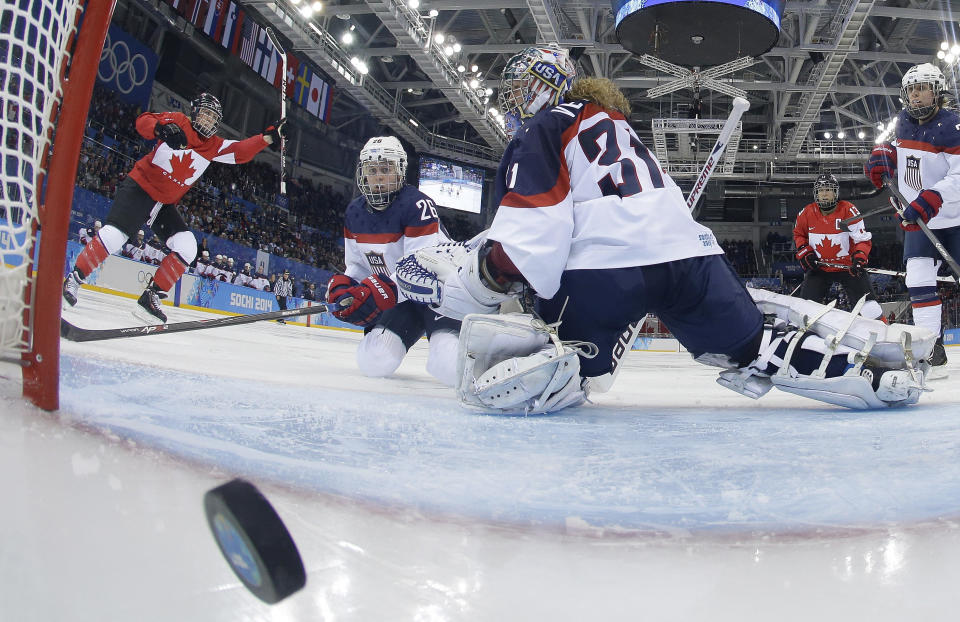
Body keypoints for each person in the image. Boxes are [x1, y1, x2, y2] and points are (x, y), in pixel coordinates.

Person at [394, 45, 933, 414]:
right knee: (751, 344)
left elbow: (530, 242)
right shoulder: (616, 122)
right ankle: (872, 377)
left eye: (518, 88)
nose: (512, 101)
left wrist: (476, 281)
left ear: (546, 85)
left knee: (559, 359)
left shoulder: (546, 125)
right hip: (689, 253)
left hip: (605, 269)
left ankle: (574, 359)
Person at [61, 92, 286, 323]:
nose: (208, 121)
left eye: (213, 118)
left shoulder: (214, 146)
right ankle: (73, 279)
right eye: (205, 114)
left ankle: (151, 297)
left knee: (188, 247)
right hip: (140, 188)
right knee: (114, 236)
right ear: (195, 113)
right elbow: (143, 121)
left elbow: (240, 152)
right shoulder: (178, 121)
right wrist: (160, 129)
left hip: (163, 204)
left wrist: (267, 138)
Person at [324, 136, 460, 386]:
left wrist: (378, 291)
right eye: (372, 170)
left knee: (448, 366)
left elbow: (422, 268)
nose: (378, 177)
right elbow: (357, 265)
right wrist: (346, 285)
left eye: (385, 169)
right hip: (404, 298)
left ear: (399, 171)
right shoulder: (354, 212)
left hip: (441, 297)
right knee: (374, 361)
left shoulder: (417, 205)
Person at [865, 62, 958, 378]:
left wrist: (932, 197)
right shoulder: (903, 122)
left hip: (954, 216)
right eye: (911, 90)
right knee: (917, 279)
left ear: (937, 92)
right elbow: (899, 154)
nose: (915, 96)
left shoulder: (953, 126)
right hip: (920, 219)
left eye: (922, 89)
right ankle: (929, 349)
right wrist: (885, 158)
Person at [794, 173, 885, 320]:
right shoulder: (806, 213)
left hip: (848, 267)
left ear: (835, 192)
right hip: (820, 268)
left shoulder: (848, 210)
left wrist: (860, 257)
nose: (824, 194)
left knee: (870, 308)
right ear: (816, 193)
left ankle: (883, 334)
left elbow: (861, 239)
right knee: (805, 308)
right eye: (821, 190)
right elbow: (799, 235)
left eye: (828, 190)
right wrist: (805, 252)